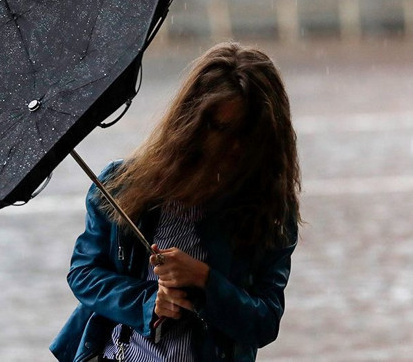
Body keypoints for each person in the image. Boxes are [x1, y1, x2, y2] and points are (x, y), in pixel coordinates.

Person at [50, 42, 302, 361]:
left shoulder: (270, 211)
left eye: (247, 134)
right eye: (221, 129)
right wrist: (148, 302)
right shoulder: (122, 185)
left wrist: (204, 279)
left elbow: (264, 322)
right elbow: (84, 273)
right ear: (193, 122)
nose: (234, 147)